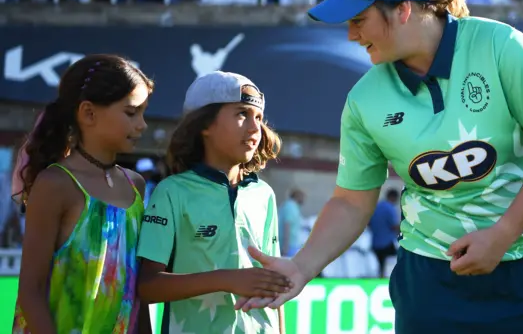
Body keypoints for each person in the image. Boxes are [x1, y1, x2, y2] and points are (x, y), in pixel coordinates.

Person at [237, 0, 523, 334]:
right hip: (432, 283)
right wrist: (301, 267)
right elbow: (352, 201)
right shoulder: (363, 100)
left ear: (403, 8)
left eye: (359, 19)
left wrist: (503, 234)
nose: (351, 35)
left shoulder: (501, 46)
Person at [136, 71, 291, 333]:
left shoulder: (264, 194)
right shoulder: (171, 192)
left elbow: (272, 284)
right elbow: (147, 286)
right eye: (242, 113)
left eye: (258, 117)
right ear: (204, 125)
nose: (255, 128)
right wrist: (226, 280)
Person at [12, 54, 154, 333]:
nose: (143, 124)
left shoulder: (135, 185)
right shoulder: (56, 183)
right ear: (88, 113)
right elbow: (31, 290)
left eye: (143, 112)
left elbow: (136, 291)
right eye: (131, 112)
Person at [368, 188, 400, 278]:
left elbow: (369, 223)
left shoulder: (376, 207)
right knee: (392, 263)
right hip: (387, 243)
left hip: (375, 242)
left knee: (380, 264)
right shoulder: (390, 208)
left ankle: (380, 277)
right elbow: (394, 226)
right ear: (394, 198)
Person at [278, 188, 305, 257]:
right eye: (302, 197)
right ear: (297, 196)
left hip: (292, 245)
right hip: (288, 246)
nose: (304, 199)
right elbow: (287, 225)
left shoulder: (294, 206)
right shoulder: (290, 206)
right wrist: (285, 246)